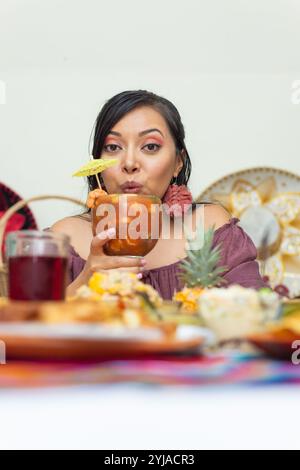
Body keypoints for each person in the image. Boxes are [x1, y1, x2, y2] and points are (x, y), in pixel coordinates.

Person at [50, 90, 266, 300]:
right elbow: (29, 325)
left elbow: (260, 316)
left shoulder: (209, 226)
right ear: (97, 163)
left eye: (151, 146)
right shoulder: (64, 237)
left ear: (178, 162)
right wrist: (84, 281)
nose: (130, 164)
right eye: (113, 147)